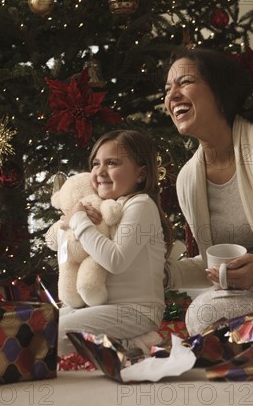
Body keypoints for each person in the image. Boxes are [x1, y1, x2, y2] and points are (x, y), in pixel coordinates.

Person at [164, 47, 253, 335]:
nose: (172, 95)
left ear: (220, 91)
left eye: (185, 82)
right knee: (201, 313)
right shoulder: (188, 179)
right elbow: (210, 265)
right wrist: (165, 274)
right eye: (167, 89)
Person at [56, 129, 173, 356]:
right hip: (101, 307)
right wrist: (67, 223)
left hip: (137, 312)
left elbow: (115, 261)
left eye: (112, 163)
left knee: (59, 334)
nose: (100, 171)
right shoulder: (101, 207)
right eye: (95, 163)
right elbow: (63, 250)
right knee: (41, 326)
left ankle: (135, 344)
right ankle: (121, 342)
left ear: (140, 174)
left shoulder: (140, 204)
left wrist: (79, 219)